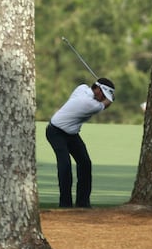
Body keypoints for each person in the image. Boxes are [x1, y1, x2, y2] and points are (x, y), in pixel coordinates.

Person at [46, 78, 115, 208]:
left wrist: (107, 93)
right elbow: (106, 104)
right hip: (55, 132)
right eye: (104, 95)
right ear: (98, 90)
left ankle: (83, 203)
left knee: (85, 163)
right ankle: (65, 204)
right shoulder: (88, 104)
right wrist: (111, 98)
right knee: (65, 165)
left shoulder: (82, 88)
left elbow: (99, 96)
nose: (103, 98)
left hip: (71, 134)